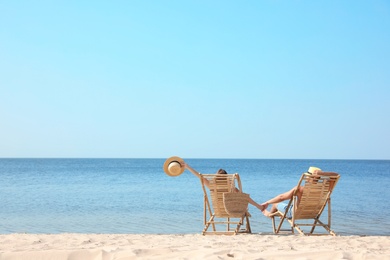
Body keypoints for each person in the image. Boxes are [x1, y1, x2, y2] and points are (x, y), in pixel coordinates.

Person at [183, 162, 263, 209]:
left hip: (218, 209)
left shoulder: (211, 186)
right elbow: (245, 198)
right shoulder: (231, 188)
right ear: (226, 178)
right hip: (231, 208)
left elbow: (199, 176)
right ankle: (259, 207)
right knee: (243, 196)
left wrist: (187, 167)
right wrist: (257, 205)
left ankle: (259, 207)